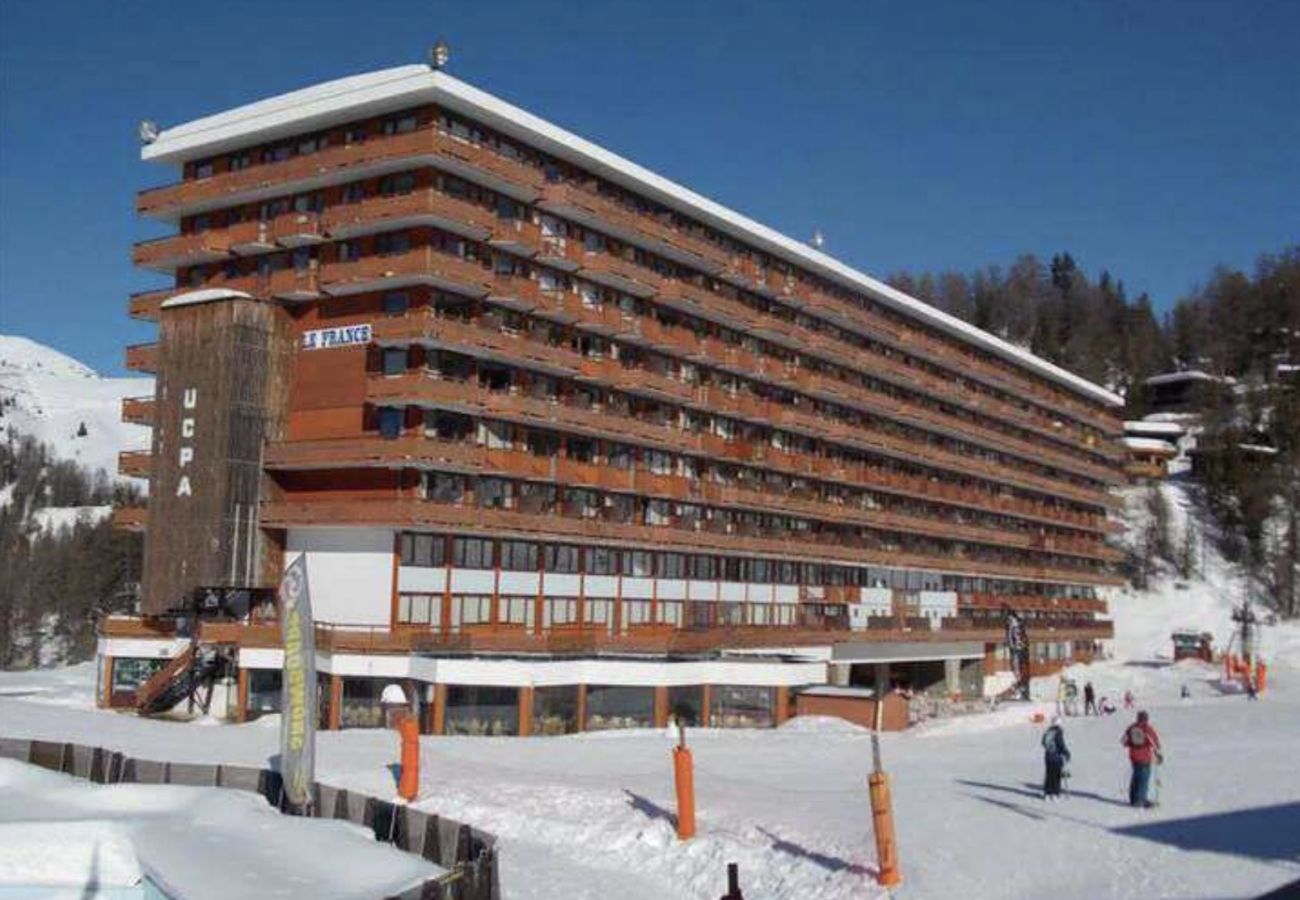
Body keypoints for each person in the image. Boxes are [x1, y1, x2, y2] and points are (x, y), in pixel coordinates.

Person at [1121, 710, 1162, 807]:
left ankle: (1133, 799)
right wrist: (1158, 754)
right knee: (1143, 779)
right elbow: (1155, 743)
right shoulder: (1146, 729)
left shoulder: (1131, 728)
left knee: (1135, 777)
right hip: (1144, 758)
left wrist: (1132, 744)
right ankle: (1141, 800)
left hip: (1134, 757)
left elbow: (1123, 741)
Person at [1041, 716, 1071, 801]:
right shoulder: (1058, 732)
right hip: (1056, 757)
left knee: (1049, 774)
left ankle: (1047, 793)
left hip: (1048, 756)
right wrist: (1066, 753)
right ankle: (1055, 793)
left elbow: (1043, 742)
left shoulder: (1047, 731)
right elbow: (1060, 744)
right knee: (1056, 775)